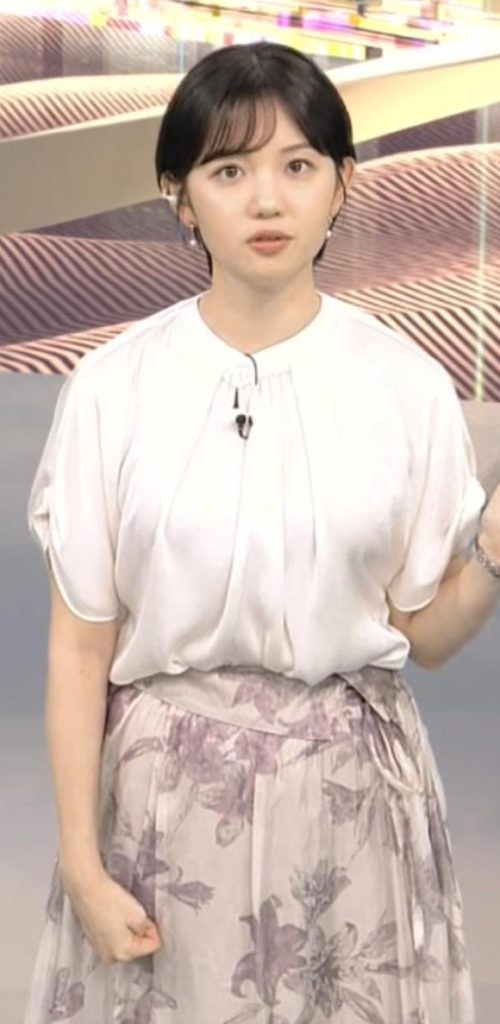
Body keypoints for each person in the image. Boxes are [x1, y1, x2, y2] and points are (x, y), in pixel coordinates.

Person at [23, 41, 500, 1024]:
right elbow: (79, 649)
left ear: (342, 185)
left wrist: (491, 550)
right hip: (160, 808)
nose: (267, 200)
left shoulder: (406, 386)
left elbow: (425, 633)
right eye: (229, 170)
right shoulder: (113, 386)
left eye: (298, 165)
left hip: (351, 805)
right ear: (180, 197)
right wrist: (80, 860)